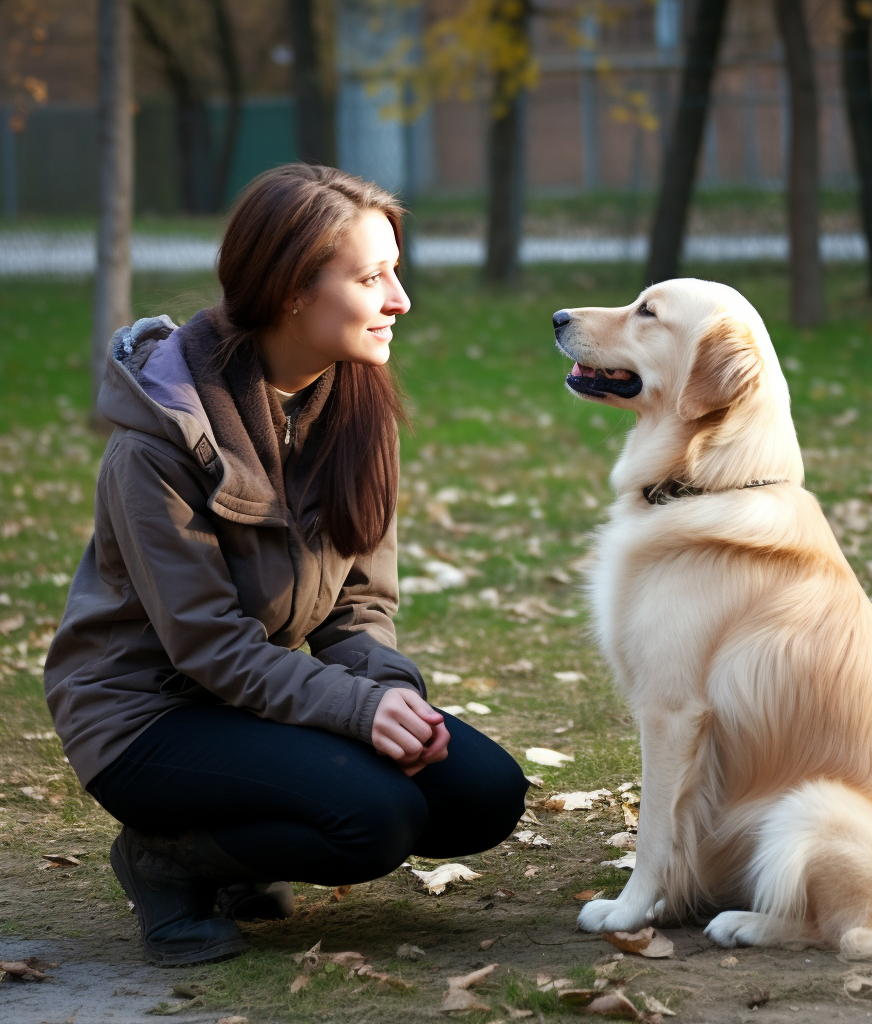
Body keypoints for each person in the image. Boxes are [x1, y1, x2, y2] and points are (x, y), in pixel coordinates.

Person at [43, 165, 529, 965]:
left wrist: (391, 695)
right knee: (374, 820)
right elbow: (207, 645)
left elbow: (360, 606)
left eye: (395, 272)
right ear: (292, 291)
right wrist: (353, 713)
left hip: (252, 698)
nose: (400, 300)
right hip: (142, 718)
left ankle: (239, 846)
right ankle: (163, 861)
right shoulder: (159, 442)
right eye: (373, 278)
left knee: (483, 796)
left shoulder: (359, 408)